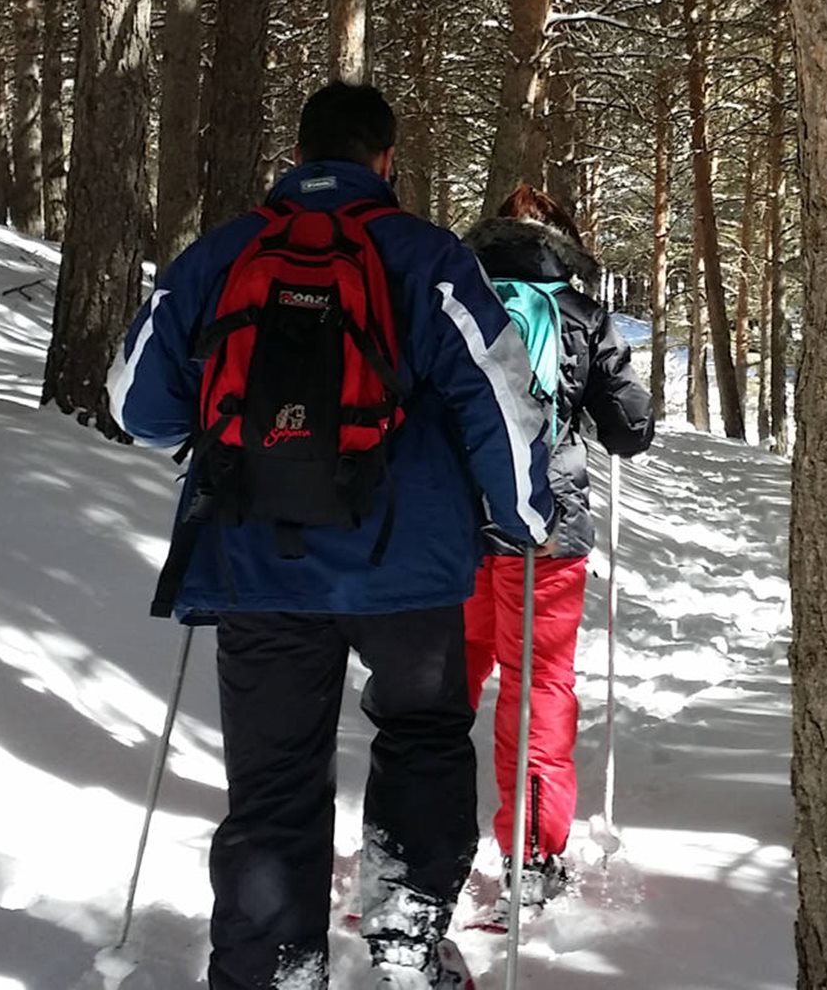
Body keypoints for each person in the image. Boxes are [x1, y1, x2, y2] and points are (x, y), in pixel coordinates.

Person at [108, 83, 554, 990]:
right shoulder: (428, 257)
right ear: (384, 160)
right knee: (423, 737)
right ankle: (405, 944)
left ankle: (271, 968)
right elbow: (500, 401)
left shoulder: (221, 254)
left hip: (256, 562)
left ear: (299, 154)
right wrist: (522, 519)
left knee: (273, 784)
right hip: (408, 567)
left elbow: (137, 409)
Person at [460, 185, 654, 915]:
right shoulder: (580, 313)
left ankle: (427, 838)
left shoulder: (459, 301)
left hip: (459, 522)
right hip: (548, 525)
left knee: (447, 687)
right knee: (537, 687)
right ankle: (532, 855)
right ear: (562, 240)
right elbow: (630, 431)